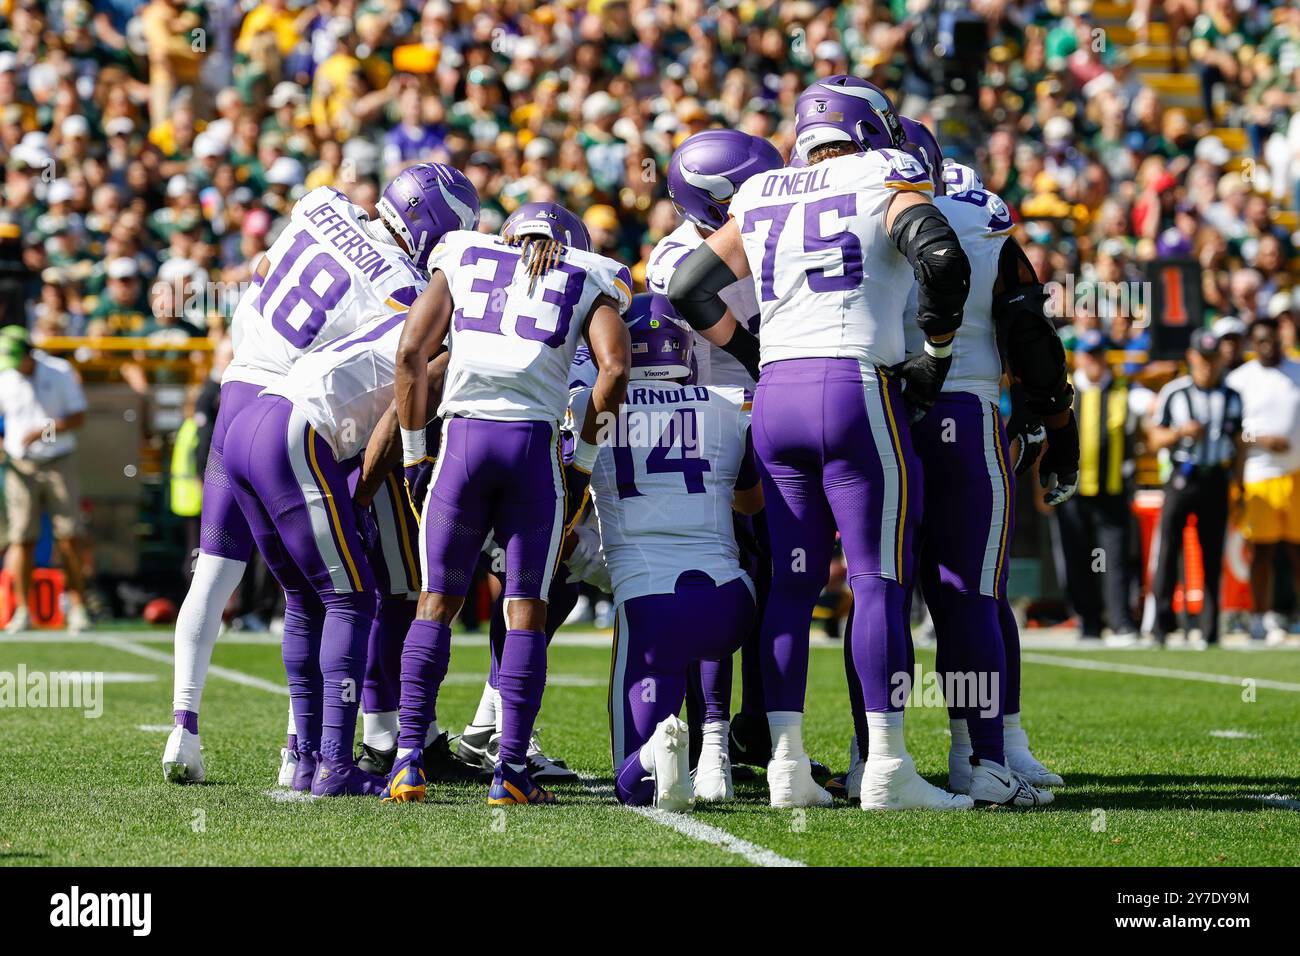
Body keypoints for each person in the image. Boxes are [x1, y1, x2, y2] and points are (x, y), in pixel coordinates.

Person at [670, 76, 973, 811]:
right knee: (876, 580)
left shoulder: (763, 191)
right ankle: (887, 768)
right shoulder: (882, 173)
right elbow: (942, 260)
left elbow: (687, 287)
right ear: (871, 130)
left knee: (792, 585)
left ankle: (784, 767)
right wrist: (934, 353)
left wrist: (751, 351)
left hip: (776, 398)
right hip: (853, 388)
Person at [162, 163, 477, 784]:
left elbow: (262, 273)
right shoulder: (411, 291)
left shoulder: (320, 204)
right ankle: (319, 756)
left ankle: (187, 725)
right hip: (294, 416)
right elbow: (403, 379)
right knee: (342, 592)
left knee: (222, 574)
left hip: (237, 395)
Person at [382, 201, 632, 806]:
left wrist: (416, 452)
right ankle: (510, 771)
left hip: (462, 445)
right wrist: (583, 462)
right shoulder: (591, 274)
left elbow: (412, 354)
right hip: (531, 451)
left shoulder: (462, 254)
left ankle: (409, 760)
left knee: (435, 602)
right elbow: (616, 369)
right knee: (527, 610)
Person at [874, 119, 1067, 807]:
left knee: (881, 592)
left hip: (876, 408)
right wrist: (1053, 425)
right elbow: (1029, 327)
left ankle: (873, 755)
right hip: (960, 407)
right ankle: (979, 754)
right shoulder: (976, 217)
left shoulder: (835, 208)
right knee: (970, 593)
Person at [575, 305, 761, 810]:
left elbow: (566, 498)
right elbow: (750, 503)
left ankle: (660, 750)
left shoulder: (590, 407)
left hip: (651, 604)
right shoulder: (727, 404)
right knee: (707, 624)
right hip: (729, 603)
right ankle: (714, 747)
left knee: (630, 786)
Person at [645, 129, 784, 776]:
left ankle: (761, 727)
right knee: (721, 583)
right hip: (712, 433)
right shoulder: (671, 261)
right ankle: (714, 737)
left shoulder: (774, 236)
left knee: (779, 583)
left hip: (775, 425)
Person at [1147, 331, 1243, 647]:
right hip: (1181, 478)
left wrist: (1238, 483)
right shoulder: (1174, 393)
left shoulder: (1232, 396)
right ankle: (1162, 627)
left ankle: (1209, 630)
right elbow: (1154, 438)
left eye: (1213, 359)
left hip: (1215, 478)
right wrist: (1179, 433)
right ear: (1191, 357)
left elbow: (1240, 442)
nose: (1207, 366)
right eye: (1203, 359)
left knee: (1212, 555)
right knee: (1168, 551)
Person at [1056, 330, 1150, 644]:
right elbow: (1045, 440)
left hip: (1112, 492)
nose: (1094, 360)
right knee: (1078, 559)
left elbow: (1148, 417)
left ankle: (1120, 621)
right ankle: (1089, 621)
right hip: (1073, 491)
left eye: (1099, 354)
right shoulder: (1065, 391)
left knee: (1115, 559)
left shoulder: (1124, 391)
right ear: (1079, 357)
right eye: (1088, 353)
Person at [0, 327, 92, 633]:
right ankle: (22, 610)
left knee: (69, 537)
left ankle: (77, 606)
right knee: (21, 539)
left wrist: (43, 432)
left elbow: (78, 417)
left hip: (57, 462)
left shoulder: (59, 371)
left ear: (29, 352)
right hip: (19, 466)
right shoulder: (6, 376)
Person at [1226, 318, 1300, 644]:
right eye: (1260, 340)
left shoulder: (1296, 371)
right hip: (1259, 475)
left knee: (1298, 550)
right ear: (1252, 343)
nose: (1267, 345)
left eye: (1271, 339)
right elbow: (1232, 429)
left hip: (1296, 474)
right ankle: (1260, 616)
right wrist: (1263, 438)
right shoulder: (1241, 379)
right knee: (1262, 552)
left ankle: (1295, 615)